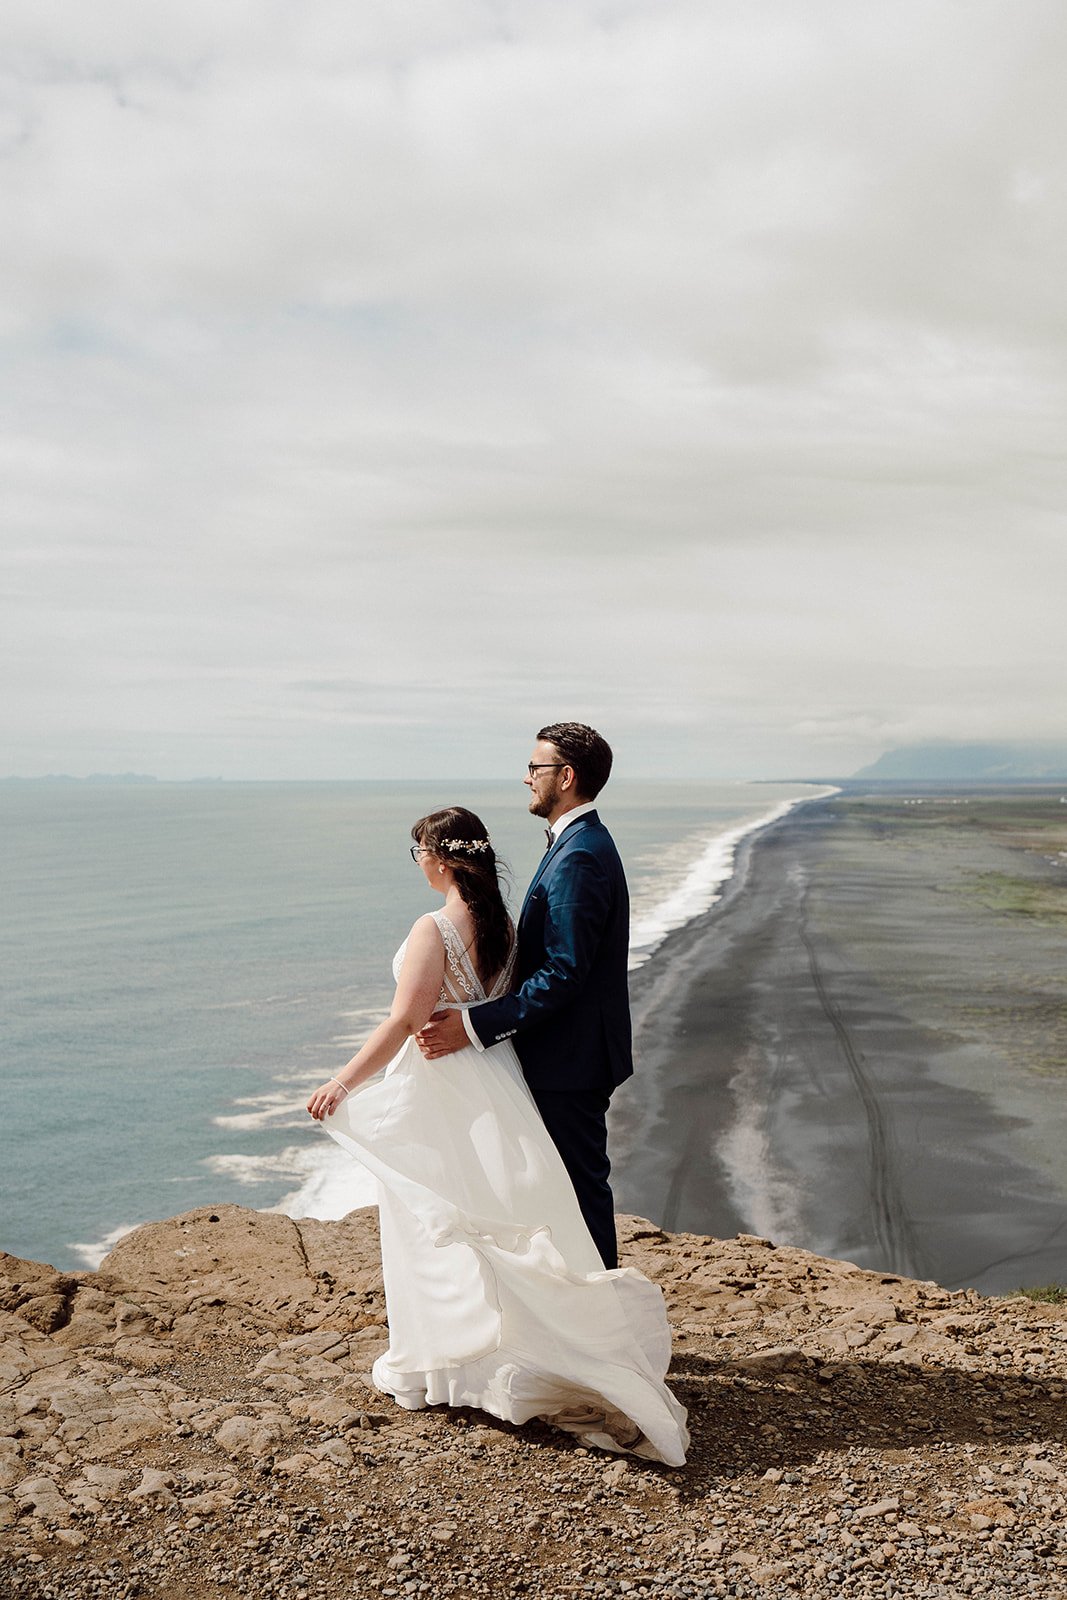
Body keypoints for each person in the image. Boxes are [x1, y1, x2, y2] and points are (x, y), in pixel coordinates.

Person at [307, 804, 687, 1465]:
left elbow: (405, 1021)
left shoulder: (433, 928)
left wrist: (342, 1084)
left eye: (418, 852)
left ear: (444, 859)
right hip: (495, 1073)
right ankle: (502, 1347)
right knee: (494, 1207)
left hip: (444, 1079)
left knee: (438, 1214)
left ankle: (451, 1360)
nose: (418, 863)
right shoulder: (501, 925)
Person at [417, 723, 629, 1270]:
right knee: (561, 1191)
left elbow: (564, 972)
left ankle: (604, 1327)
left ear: (567, 776)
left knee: (578, 1193)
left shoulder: (580, 854)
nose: (526, 778)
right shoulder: (576, 844)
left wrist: (472, 1025)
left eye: (535, 768)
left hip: (570, 1058)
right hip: (567, 1053)